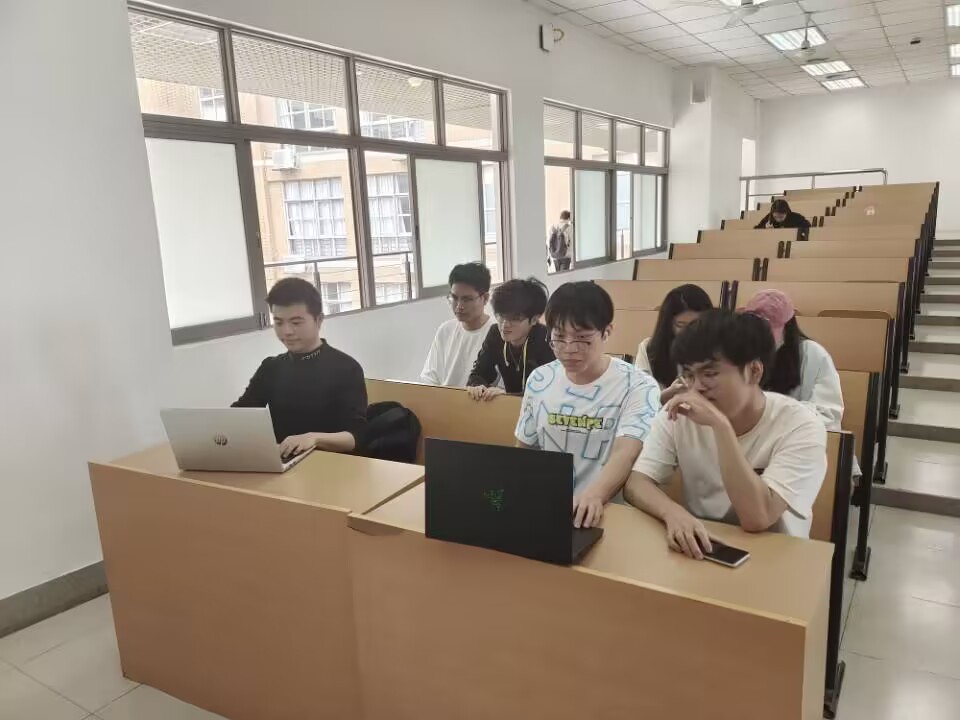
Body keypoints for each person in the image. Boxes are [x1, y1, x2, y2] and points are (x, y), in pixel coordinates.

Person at [625, 310, 827, 557]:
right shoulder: (679, 414)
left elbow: (758, 517)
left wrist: (721, 427)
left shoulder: (801, 426)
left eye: (710, 374)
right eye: (689, 375)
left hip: (777, 555)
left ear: (754, 371)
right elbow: (637, 483)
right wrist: (673, 513)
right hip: (703, 548)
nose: (697, 387)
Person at [515, 282, 661, 529]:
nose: (568, 349)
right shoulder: (540, 379)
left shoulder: (638, 386)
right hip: (547, 510)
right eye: (558, 337)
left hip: (608, 514)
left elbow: (626, 452)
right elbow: (525, 449)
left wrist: (594, 496)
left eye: (582, 338)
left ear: (606, 332)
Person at [233, 278, 367, 457]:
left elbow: (355, 437)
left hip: (332, 463)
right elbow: (240, 414)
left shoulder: (346, 368)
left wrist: (314, 438)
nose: (286, 331)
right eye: (279, 323)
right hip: (283, 462)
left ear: (318, 320)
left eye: (296, 323)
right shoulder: (271, 367)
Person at [744, 289, 860, 478]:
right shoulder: (740, 352)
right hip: (756, 448)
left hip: (802, 448)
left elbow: (828, 414)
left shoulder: (812, 354)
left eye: (767, 330)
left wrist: (771, 416)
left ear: (787, 327)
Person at [467, 278, 554, 400]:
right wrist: (477, 386)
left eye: (514, 319)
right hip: (509, 407)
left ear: (534, 319)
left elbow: (547, 391)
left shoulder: (546, 340)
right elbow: (479, 373)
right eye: (501, 316)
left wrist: (508, 397)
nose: (505, 325)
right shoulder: (495, 334)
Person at [635, 284, 714, 403]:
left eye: (696, 324)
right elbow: (640, 402)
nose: (689, 332)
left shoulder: (718, 350)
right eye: (681, 325)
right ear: (668, 325)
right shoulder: (649, 349)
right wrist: (667, 395)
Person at [421, 263, 495, 387]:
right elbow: (430, 377)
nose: (459, 306)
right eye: (454, 298)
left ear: (485, 298)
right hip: (444, 398)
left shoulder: (497, 334)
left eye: (467, 299)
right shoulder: (445, 330)